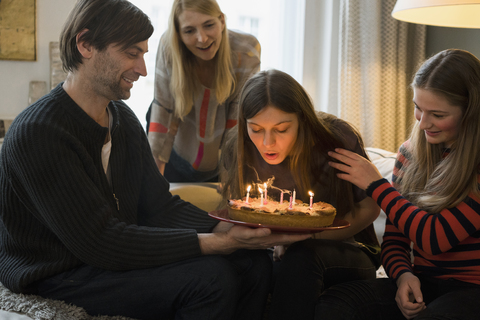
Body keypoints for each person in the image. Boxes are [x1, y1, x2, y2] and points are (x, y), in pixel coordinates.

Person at [0, 1, 311, 319]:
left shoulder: (121, 118)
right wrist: (216, 243)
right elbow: (99, 241)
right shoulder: (39, 133)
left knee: (252, 262)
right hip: (57, 274)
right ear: (86, 44)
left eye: (144, 54)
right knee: (211, 280)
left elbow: (159, 206)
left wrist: (229, 227)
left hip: (103, 260)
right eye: (132, 53)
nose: (143, 69)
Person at [316, 49, 480, 320]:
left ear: (471, 111)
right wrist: (403, 274)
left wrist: (376, 185)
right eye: (418, 108)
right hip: (422, 280)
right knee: (336, 303)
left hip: (472, 290)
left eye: (437, 114)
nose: (423, 123)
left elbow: (434, 238)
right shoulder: (411, 153)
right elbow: (395, 238)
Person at [220, 69, 381, 320]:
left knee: (301, 257)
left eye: (282, 129)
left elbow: (369, 209)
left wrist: (303, 238)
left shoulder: (335, 140)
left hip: (350, 248)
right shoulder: (237, 148)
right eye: (256, 129)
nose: (267, 142)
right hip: (274, 252)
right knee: (248, 264)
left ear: (302, 120)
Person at [146, 0, 261, 183]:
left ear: (222, 21)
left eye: (208, 25)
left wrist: (229, 182)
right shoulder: (169, 47)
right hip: (175, 155)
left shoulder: (246, 51)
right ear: (178, 33)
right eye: (189, 31)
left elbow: (237, 118)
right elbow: (164, 112)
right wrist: (153, 181)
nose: (202, 38)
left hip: (220, 159)